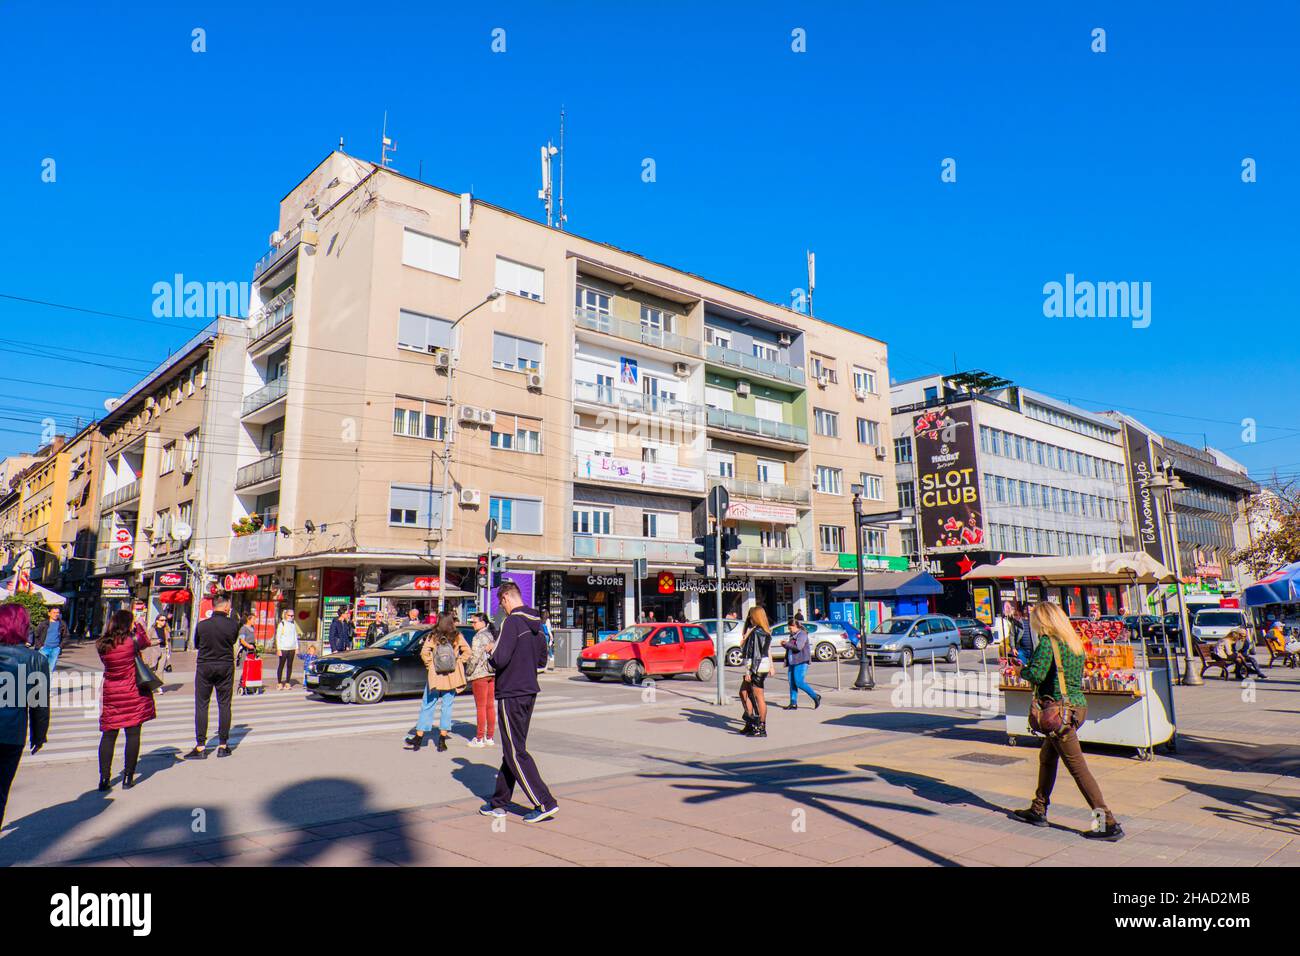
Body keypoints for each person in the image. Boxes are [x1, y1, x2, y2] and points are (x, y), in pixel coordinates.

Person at [1011, 601, 1122, 840]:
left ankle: (1107, 822)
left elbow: (1037, 674)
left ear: (1044, 621)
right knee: (1047, 757)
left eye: (1036, 620)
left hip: (1058, 713)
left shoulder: (1047, 643)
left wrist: (1021, 671)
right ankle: (1038, 809)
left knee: (1078, 768)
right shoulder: (1073, 642)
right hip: (1075, 707)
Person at [479, 581, 558, 823]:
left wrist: (491, 651)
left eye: (501, 604)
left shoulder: (512, 622)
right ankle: (499, 802)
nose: (502, 609)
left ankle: (545, 802)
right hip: (528, 691)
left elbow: (500, 659)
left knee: (515, 751)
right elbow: (542, 660)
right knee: (511, 750)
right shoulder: (537, 622)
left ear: (505, 599)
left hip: (511, 691)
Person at [0, 605, 50, 828]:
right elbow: (39, 705)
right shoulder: (35, 659)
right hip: (12, 734)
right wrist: (39, 736)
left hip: (12, 733)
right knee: (1, 790)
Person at [96, 609, 156, 791]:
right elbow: (146, 641)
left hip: (112, 692)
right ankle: (128, 777)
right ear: (127, 624)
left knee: (108, 736)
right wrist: (139, 624)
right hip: (132, 692)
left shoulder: (102, 644)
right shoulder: (132, 642)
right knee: (133, 735)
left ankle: (104, 778)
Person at [405, 612, 471, 753]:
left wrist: (431, 666)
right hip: (452, 676)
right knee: (447, 707)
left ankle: (419, 737)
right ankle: (442, 740)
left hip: (435, 675)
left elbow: (424, 652)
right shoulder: (457, 636)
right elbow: (467, 652)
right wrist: (458, 662)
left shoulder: (433, 635)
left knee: (428, 705)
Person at [185, 595, 241, 759]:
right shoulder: (233, 624)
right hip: (225, 665)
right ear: (225, 608)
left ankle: (201, 746)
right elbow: (232, 640)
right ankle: (223, 746)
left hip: (205, 666)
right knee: (224, 704)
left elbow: (196, 644)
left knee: (202, 704)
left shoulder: (202, 625)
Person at [738, 607, 773, 737]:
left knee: (758, 697)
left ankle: (760, 727)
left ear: (756, 617)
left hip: (756, 667)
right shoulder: (764, 631)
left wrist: (749, 672)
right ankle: (751, 721)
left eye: (751, 617)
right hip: (760, 666)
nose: (749, 619)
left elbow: (754, 654)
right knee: (743, 692)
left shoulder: (757, 633)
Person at [465, 612, 497, 747]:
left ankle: (479, 738)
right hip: (491, 673)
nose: (473, 624)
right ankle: (489, 737)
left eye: (475, 622)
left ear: (483, 622)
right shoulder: (490, 635)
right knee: (490, 706)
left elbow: (475, 657)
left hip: (479, 674)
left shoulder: (478, 637)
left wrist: (468, 671)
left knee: (481, 707)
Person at [781, 616, 821, 710]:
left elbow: (799, 647)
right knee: (792, 683)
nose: (790, 630)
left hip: (801, 661)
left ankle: (815, 696)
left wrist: (786, 644)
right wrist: (784, 645)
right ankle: (793, 703)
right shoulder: (792, 635)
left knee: (799, 682)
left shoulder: (802, 634)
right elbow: (791, 647)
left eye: (790, 628)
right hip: (792, 661)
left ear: (795, 626)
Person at [31, 606, 67, 672]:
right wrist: (40, 646)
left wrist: (60, 647)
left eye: (57, 613)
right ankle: (40, 681)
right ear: (49, 613)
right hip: (43, 649)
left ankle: (48, 681)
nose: (56, 614)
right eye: (54, 612)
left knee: (50, 669)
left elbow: (66, 636)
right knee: (40, 669)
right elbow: (36, 635)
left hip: (55, 649)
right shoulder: (44, 624)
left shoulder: (62, 624)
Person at [275, 609, 301, 690]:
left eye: (292, 615)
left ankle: (287, 682)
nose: (291, 617)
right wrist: (278, 649)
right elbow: (278, 637)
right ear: (285, 615)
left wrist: (296, 647)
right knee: (281, 665)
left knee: (289, 665)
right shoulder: (282, 624)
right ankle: (279, 683)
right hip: (283, 648)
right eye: (290, 615)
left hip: (292, 648)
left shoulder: (293, 624)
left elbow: (295, 637)